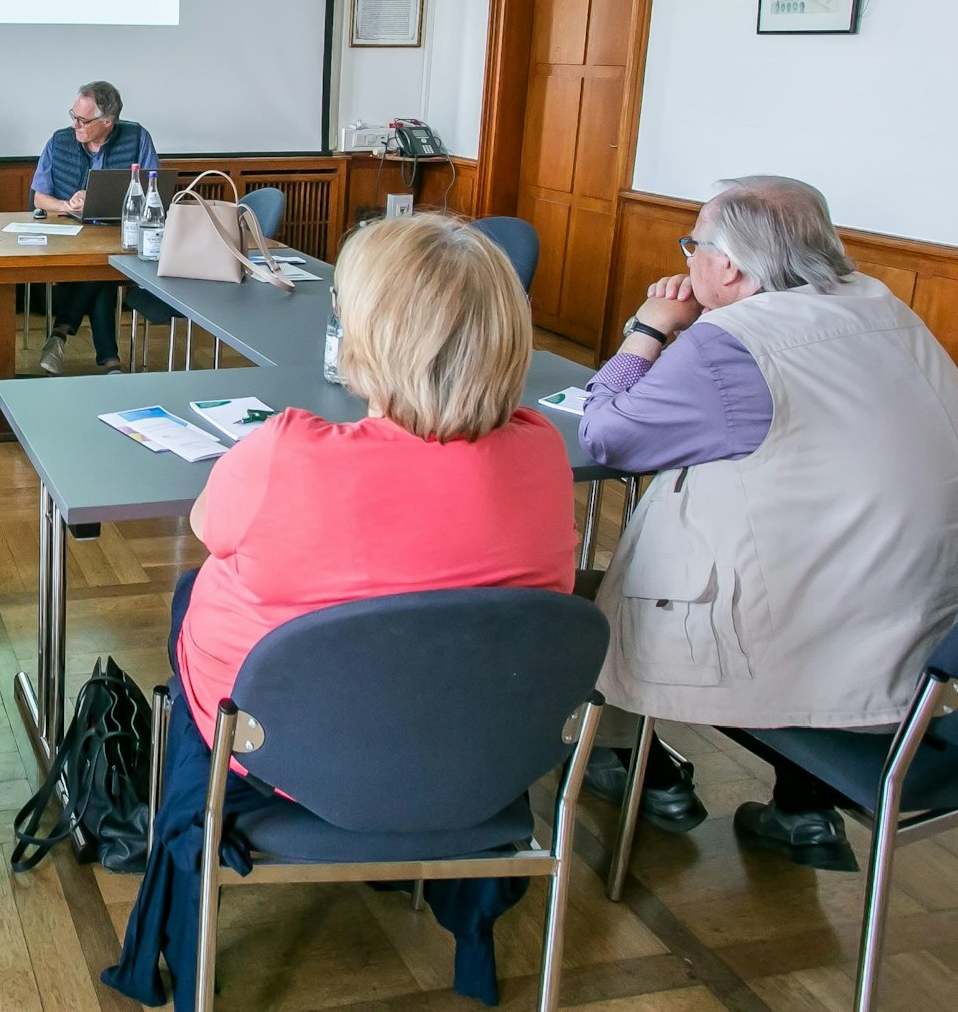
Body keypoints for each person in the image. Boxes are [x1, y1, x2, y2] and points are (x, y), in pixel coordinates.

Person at [105, 214, 577, 1008]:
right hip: (474, 756)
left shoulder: (285, 452)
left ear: (368, 338)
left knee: (196, 596)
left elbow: (207, 531)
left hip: (289, 764)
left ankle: (187, 884)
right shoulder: (544, 455)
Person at [580, 176, 958, 871]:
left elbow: (609, 436)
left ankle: (643, 769)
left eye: (693, 244)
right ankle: (802, 807)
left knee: (605, 593)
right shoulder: (885, 306)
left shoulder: (732, 343)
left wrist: (650, 328)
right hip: (927, 639)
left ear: (726, 267)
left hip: (818, 638)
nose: (689, 259)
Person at [31, 80, 158, 376]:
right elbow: (39, 197)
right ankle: (109, 361)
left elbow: (155, 191)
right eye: (73, 116)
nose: (75, 124)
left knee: (104, 263)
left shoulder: (137, 137)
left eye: (83, 120)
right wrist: (66, 205)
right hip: (68, 237)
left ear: (108, 122)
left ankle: (61, 333)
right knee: (102, 269)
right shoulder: (59, 140)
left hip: (119, 235)